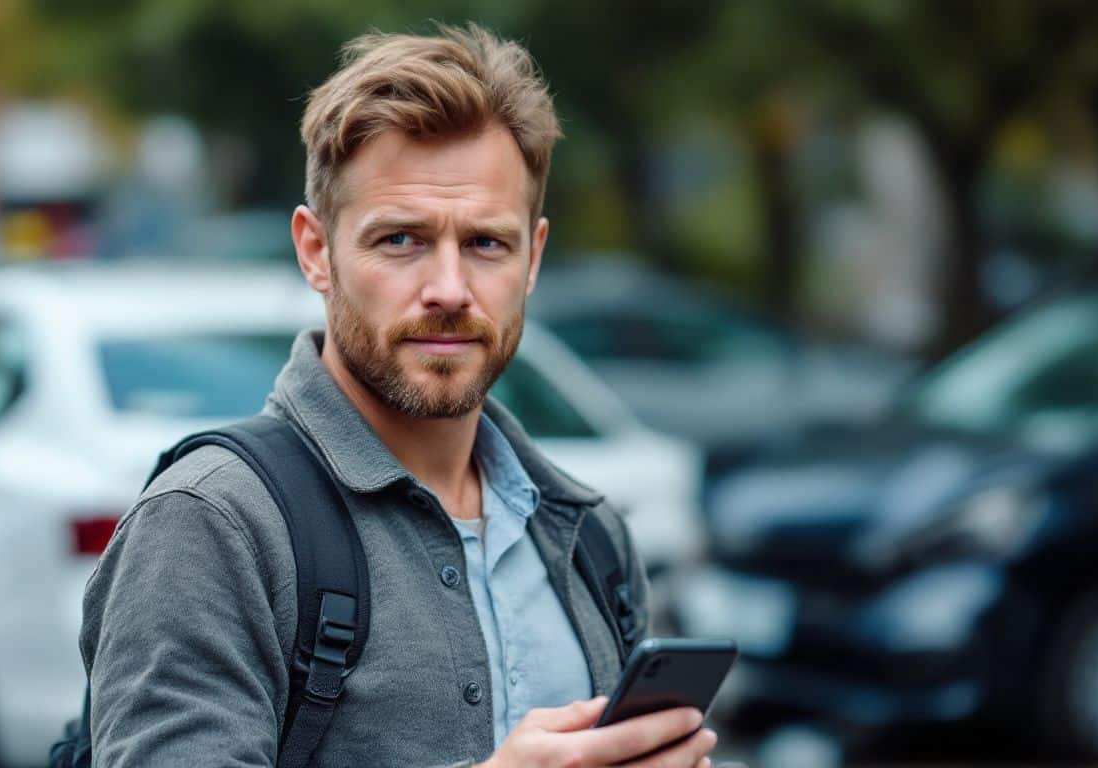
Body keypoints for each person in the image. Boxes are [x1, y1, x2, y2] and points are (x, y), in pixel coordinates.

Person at [79, 24, 718, 767]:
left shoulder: (590, 538)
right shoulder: (213, 525)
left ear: (533, 257)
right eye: (400, 241)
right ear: (317, 251)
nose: (448, 289)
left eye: (486, 243)